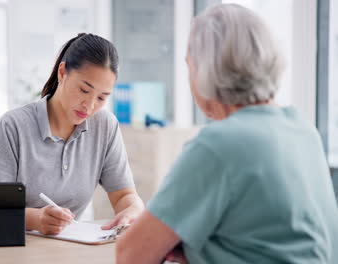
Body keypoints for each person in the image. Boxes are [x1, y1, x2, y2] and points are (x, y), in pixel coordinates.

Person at [116, 4, 338, 264]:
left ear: (204, 70)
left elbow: (131, 254)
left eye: (189, 66)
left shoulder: (219, 145)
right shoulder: (301, 130)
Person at [0, 33, 144, 235]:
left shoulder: (105, 126)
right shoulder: (12, 127)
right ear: (62, 72)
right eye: (84, 90)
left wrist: (133, 210)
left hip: (71, 249)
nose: (90, 106)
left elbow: (123, 196)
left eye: (102, 97)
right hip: (16, 248)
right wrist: (37, 219)